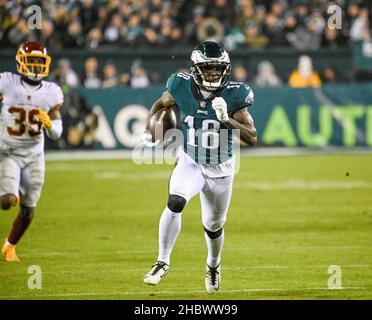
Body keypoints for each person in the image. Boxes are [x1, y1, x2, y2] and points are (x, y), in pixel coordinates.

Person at [141, 41, 257, 293]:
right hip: (191, 161)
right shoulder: (179, 85)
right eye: (209, 69)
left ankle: (213, 265)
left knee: (213, 225)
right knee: (175, 201)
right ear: (195, 69)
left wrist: (226, 120)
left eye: (218, 69)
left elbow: (251, 137)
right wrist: (150, 128)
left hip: (221, 168)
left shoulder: (235, 93)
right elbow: (161, 104)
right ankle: (162, 261)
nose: (214, 74)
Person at [0, 42, 64, 262]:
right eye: (32, 61)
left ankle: (10, 245)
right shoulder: (7, 82)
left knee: (28, 208)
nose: (36, 67)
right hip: (8, 151)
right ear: (21, 62)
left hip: (34, 156)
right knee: (7, 200)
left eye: (39, 62)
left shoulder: (51, 92)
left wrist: (49, 125)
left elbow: (57, 133)